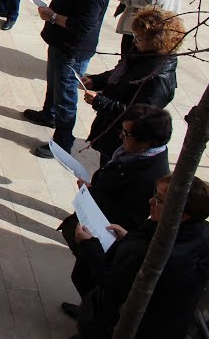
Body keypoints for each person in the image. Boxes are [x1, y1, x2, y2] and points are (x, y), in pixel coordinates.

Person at [70, 175, 209, 339]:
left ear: (182, 215)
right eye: (155, 194)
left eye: (159, 200)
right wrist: (128, 238)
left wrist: (89, 245)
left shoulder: (157, 255)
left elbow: (112, 285)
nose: (151, 201)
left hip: (129, 325)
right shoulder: (204, 230)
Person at [60, 106, 172, 309]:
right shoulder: (134, 153)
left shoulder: (149, 177)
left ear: (148, 142)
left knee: (89, 279)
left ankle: (90, 314)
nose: (121, 136)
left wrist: (93, 193)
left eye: (127, 134)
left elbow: (127, 214)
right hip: (101, 222)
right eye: (123, 130)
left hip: (108, 233)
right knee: (82, 275)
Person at [25, 0, 112, 158]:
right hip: (59, 41)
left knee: (66, 95)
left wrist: (53, 17)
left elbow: (84, 25)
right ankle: (49, 114)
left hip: (73, 49)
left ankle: (63, 143)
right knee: (54, 82)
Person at [81, 7, 182, 167]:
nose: (134, 41)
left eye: (139, 38)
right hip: (112, 129)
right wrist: (96, 80)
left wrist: (101, 102)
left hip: (124, 140)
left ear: (156, 42)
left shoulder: (158, 77)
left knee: (109, 171)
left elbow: (140, 116)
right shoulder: (141, 54)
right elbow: (121, 72)